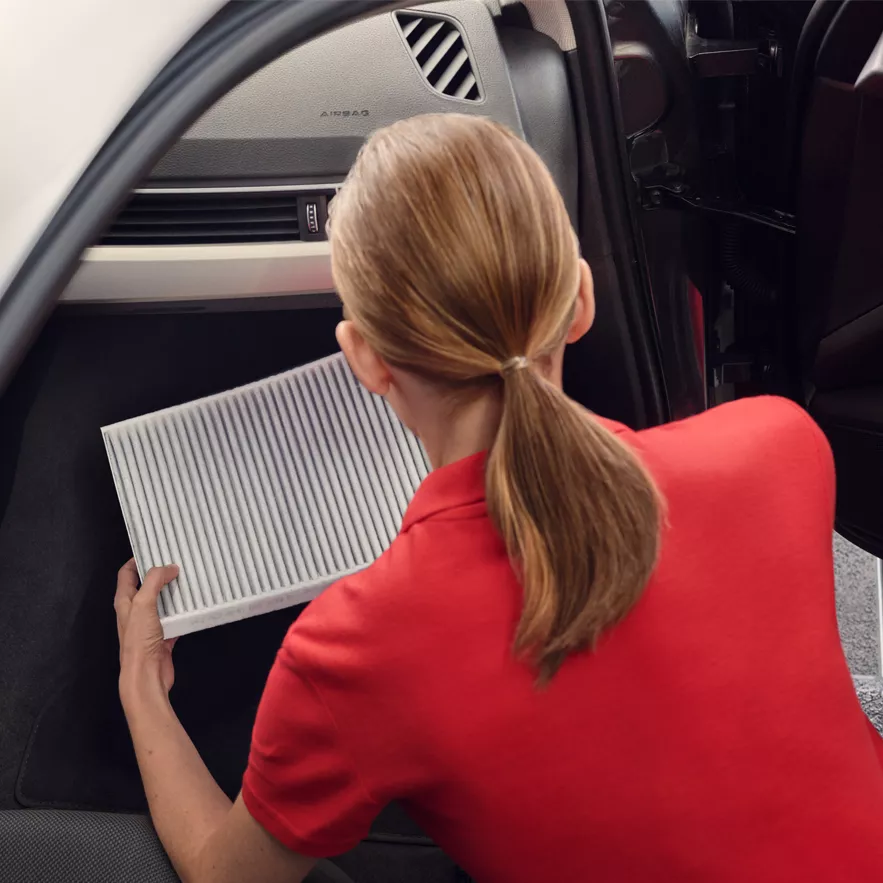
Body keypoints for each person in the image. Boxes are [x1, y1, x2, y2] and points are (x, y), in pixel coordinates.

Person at [114, 113, 883, 883]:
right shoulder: (781, 445)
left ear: (364, 359)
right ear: (579, 299)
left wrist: (142, 688)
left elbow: (226, 876)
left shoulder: (354, 651)